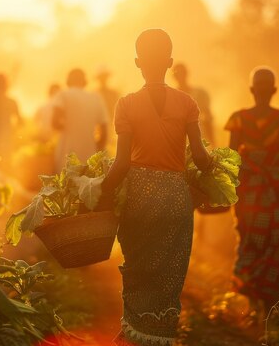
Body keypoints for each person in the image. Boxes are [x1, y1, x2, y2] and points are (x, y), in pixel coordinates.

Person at [98, 29, 212, 346]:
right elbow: (201, 157)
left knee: (137, 269)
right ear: (170, 62)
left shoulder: (126, 105)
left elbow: (121, 164)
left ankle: (134, 333)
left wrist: (101, 193)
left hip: (140, 196)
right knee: (169, 274)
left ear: (137, 63)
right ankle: (160, 336)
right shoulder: (188, 103)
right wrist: (212, 172)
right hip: (177, 197)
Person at [225, 67, 279, 315]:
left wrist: (222, 188)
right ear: (274, 91)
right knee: (273, 243)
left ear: (251, 90)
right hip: (277, 193)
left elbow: (231, 158)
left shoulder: (238, 118)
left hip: (249, 193)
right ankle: (267, 301)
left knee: (249, 239)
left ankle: (252, 301)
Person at [52, 68, 108, 171]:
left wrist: (67, 126)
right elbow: (104, 130)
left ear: (68, 81)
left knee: (65, 184)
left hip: (66, 154)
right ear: (84, 81)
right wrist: (98, 151)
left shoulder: (63, 95)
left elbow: (54, 122)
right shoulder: (95, 98)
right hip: (89, 154)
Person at [172, 63, 215, 145]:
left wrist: (212, 141)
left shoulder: (200, 94)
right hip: (181, 142)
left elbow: (208, 118)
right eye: (177, 74)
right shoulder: (172, 97)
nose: (180, 76)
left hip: (201, 138)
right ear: (174, 77)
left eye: (182, 73)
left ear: (186, 74)